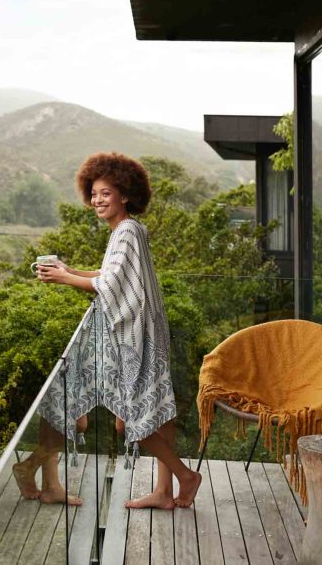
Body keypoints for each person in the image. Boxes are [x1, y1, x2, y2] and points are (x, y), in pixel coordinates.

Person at [13, 152, 201, 510]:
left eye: (106, 193)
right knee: (119, 411)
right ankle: (164, 490)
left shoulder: (127, 230)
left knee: (131, 417)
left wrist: (65, 278)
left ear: (125, 195)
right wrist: (72, 271)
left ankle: (183, 476)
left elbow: (112, 285)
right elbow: (110, 277)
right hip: (134, 335)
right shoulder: (124, 231)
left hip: (131, 339)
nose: (98, 200)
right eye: (94, 193)